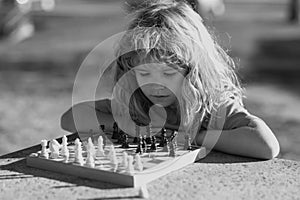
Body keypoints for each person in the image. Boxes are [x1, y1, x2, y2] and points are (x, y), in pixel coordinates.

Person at [60, 0, 280, 159]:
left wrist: (191, 137)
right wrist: (134, 129)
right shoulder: (139, 103)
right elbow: (70, 119)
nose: (156, 85)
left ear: (193, 71)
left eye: (168, 74)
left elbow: (265, 145)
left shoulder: (214, 107)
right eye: (144, 74)